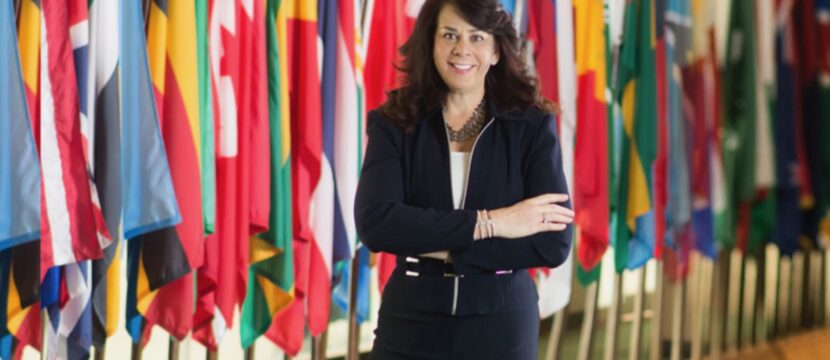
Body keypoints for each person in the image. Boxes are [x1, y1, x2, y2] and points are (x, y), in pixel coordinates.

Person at [354, 0, 574, 358]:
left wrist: (432, 244)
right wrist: (493, 223)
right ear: (431, 43)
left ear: (496, 51)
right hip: (411, 319)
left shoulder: (530, 126)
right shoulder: (394, 122)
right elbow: (377, 225)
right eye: (450, 35)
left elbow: (553, 244)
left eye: (477, 37)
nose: (462, 50)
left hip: (502, 323)